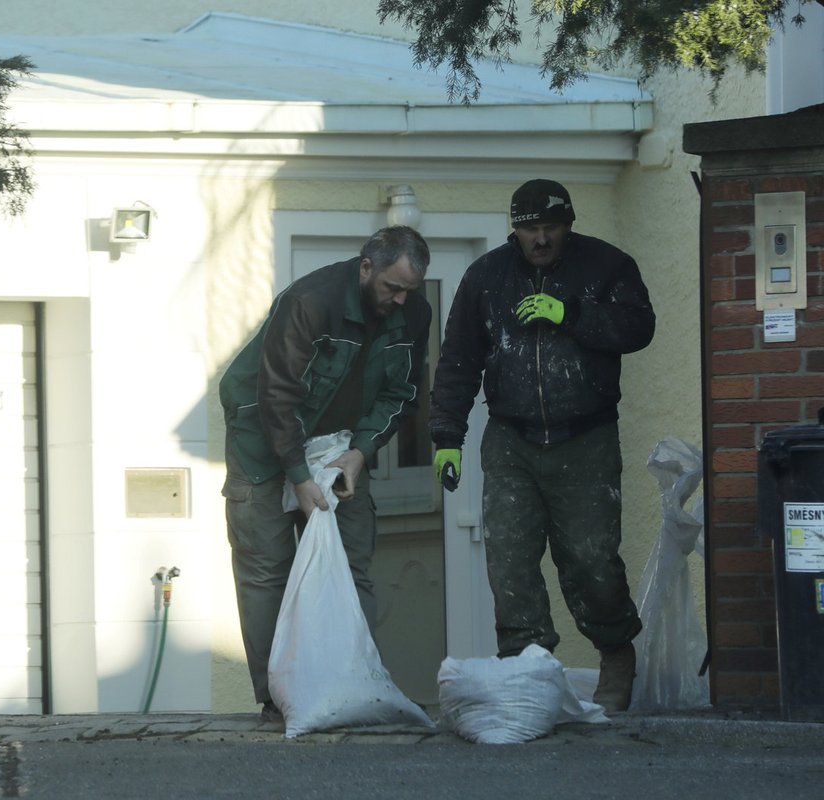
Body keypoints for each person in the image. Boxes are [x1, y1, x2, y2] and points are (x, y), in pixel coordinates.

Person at [429, 179, 655, 713]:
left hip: (587, 437)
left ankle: (616, 651)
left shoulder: (606, 266)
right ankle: (527, 668)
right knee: (510, 564)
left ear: (568, 224)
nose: (540, 239)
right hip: (511, 439)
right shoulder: (486, 278)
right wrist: (446, 438)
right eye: (530, 228)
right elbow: (458, 359)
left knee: (591, 560)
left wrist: (571, 313)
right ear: (515, 229)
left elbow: (638, 327)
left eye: (550, 227)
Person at [219, 225, 432, 722]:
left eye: (409, 291)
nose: (400, 300)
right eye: (391, 288)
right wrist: (297, 474)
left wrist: (362, 452)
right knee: (267, 571)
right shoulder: (310, 302)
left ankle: (352, 683)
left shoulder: (413, 313)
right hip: (262, 439)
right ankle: (278, 698)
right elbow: (278, 394)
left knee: (352, 563)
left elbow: (401, 394)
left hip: (339, 446)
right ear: (366, 268)